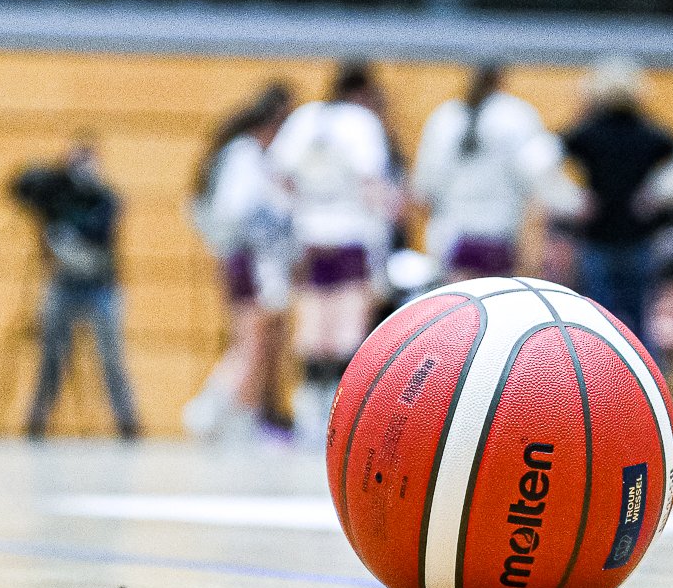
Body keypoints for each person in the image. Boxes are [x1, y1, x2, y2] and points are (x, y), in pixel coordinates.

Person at [267, 61, 397, 444]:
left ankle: (309, 418)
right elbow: (371, 183)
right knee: (346, 334)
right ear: (363, 92)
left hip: (309, 237)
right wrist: (390, 209)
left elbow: (278, 174)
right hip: (350, 237)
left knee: (311, 332)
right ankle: (337, 421)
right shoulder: (361, 122)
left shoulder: (306, 118)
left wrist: (304, 206)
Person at [182, 83, 296, 442]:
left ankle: (232, 418)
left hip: (247, 258)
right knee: (251, 345)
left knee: (254, 344)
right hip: (247, 259)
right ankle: (211, 415)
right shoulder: (244, 154)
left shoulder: (249, 155)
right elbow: (239, 211)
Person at [11, 133, 140, 441]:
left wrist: (64, 225)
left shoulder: (106, 198)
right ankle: (37, 422)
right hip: (63, 285)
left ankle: (128, 424)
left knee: (111, 358)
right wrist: (54, 178)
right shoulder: (57, 195)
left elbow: (97, 231)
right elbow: (20, 188)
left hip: (101, 287)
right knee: (51, 356)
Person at [412, 63, 585, 281]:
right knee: (492, 298)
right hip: (495, 237)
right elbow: (539, 170)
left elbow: (423, 188)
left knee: (458, 299)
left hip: (449, 238)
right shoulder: (514, 115)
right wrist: (575, 202)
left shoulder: (445, 117)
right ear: (500, 78)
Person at [563, 56, 673, 358]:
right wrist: (658, 193)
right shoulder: (649, 133)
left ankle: (598, 378)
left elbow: (537, 157)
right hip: (636, 240)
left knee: (597, 323)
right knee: (640, 325)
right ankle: (646, 382)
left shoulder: (588, 133)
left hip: (601, 240)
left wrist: (572, 200)